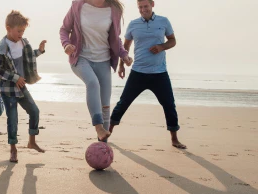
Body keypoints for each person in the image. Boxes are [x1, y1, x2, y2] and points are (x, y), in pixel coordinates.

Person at [110, 0, 187, 149]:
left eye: (145, 6)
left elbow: (172, 41)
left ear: (152, 5)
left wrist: (161, 46)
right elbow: (125, 46)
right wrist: (121, 65)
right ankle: (107, 132)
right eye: (140, 7)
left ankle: (174, 139)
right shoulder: (133, 24)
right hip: (138, 73)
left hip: (159, 73)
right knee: (123, 103)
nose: (143, 9)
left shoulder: (163, 21)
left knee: (169, 105)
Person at [60, 0, 133, 142]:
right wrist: (66, 44)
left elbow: (115, 38)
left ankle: (103, 145)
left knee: (105, 105)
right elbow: (64, 29)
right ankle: (99, 127)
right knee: (92, 83)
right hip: (80, 58)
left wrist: (124, 55)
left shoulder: (114, 9)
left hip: (103, 61)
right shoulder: (78, 5)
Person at [0, 10, 47, 162]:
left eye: (23, 30)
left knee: (34, 111)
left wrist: (40, 51)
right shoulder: (2, 47)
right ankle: (13, 149)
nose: (21, 33)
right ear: (8, 28)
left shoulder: (23, 42)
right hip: (7, 90)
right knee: (13, 119)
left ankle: (32, 141)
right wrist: (15, 77)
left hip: (21, 87)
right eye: (18, 31)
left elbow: (28, 57)